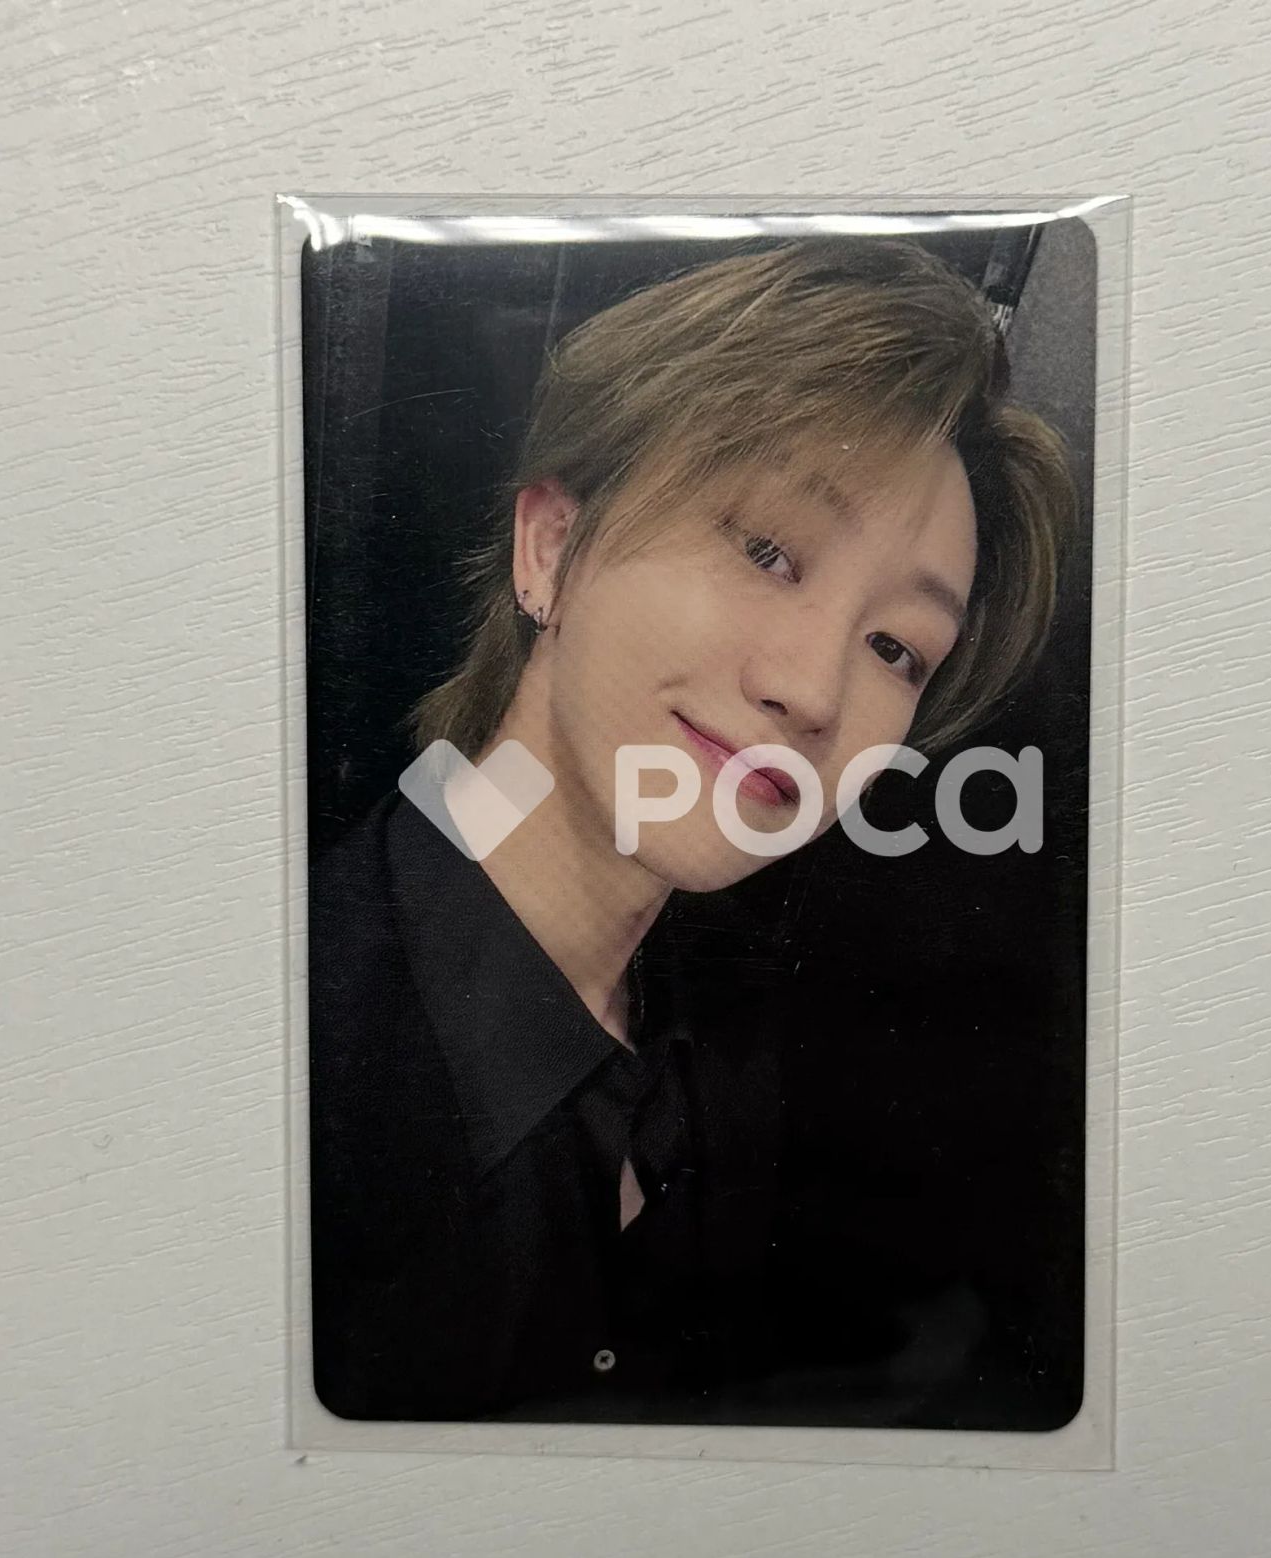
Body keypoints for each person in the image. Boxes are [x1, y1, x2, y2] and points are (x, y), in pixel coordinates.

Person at [308, 236, 1076, 1423]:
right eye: (767, 549)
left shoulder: (723, 1052)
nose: (812, 691)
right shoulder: (300, 1062)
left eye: (895, 648)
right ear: (551, 547)